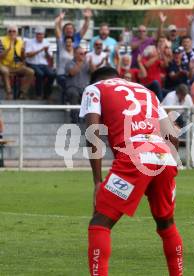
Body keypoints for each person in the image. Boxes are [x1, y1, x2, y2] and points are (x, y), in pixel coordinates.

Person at [79, 67, 183, 276]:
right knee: (166, 223)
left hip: (134, 155)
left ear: (97, 79)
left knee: (100, 222)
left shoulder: (94, 88)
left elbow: (93, 133)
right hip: (164, 156)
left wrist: (97, 182)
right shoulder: (147, 92)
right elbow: (173, 137)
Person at [0, 25, 34, 100]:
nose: (12, 33)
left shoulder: (21, 42)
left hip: (18, 66)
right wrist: (8, 50)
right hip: (4, 65)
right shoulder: (1, 40)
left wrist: (23, 53)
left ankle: (22, 93)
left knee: (31, 72)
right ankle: (9, 93)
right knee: (5, 71)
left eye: (14, 31)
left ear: (17, 33)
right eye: (10, 31)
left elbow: (22, 59)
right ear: (7, 32)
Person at [24, 26, 56, 100]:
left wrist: (46, 52)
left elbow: (49, 57)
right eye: (38, 34)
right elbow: (28, 55)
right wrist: (41, 50)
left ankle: (47, 94)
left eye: (41, 34)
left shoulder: (46, 42)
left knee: (52, 74)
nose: (40, 36)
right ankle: (38, 95)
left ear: (43, 35)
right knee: (40, 74)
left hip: (43, 64)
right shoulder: (30, 42)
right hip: (32, 63)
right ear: (35, 35)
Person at [65, 47, 90, 122]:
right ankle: (75, 119)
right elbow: (72, 73)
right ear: (75, 54)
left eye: (84, 53)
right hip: (73, 87)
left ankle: (87, 119)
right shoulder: (69, 63)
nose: (83, 55)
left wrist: (91, 62)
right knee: (73, 93)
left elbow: (93, 71)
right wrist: (80, 63)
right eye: (81, 54)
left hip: (84, 87)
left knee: (90, 95)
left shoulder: (87, 63)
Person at [55, 36, 74, 102]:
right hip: (61, 74)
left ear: (73, 43)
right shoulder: (61, 50)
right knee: (65, 83)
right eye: (67, 42)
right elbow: (58, 33)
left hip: (71, 74)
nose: (68, 43)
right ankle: (64, 103)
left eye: (70, 42)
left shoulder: (75, 52)